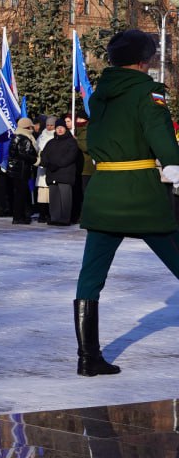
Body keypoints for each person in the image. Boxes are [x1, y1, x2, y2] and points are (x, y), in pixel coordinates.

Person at [76, 29, 179, 376]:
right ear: (144, 60)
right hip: (139, 194)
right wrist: (175, 166)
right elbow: (160, 136)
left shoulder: (99, 96)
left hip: (104, 191)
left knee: (90, 277)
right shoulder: (147, 92)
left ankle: (87, 357)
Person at [40, 117, 82, 227]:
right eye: (58, 127)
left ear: (65, 129)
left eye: (62, 127)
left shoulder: (71, 142)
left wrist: (57, 164)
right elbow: (44, 155)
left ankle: (65, 218)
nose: (59, 129)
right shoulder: (51, 142)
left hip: (65, 173)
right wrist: (47, 163)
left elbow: (70, 157)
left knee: (65, 198)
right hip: (52, 173)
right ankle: (55, 218)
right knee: (54, 198)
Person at [8, 117, 39, 224]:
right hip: (22, 170)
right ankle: (19, 217)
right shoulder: (25, 139)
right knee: (21, 194)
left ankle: (18, 216)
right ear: (27, 127)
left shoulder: (15, 136)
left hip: (15, 170)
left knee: (18, 194)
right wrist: (36, 160)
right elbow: (25, 154)